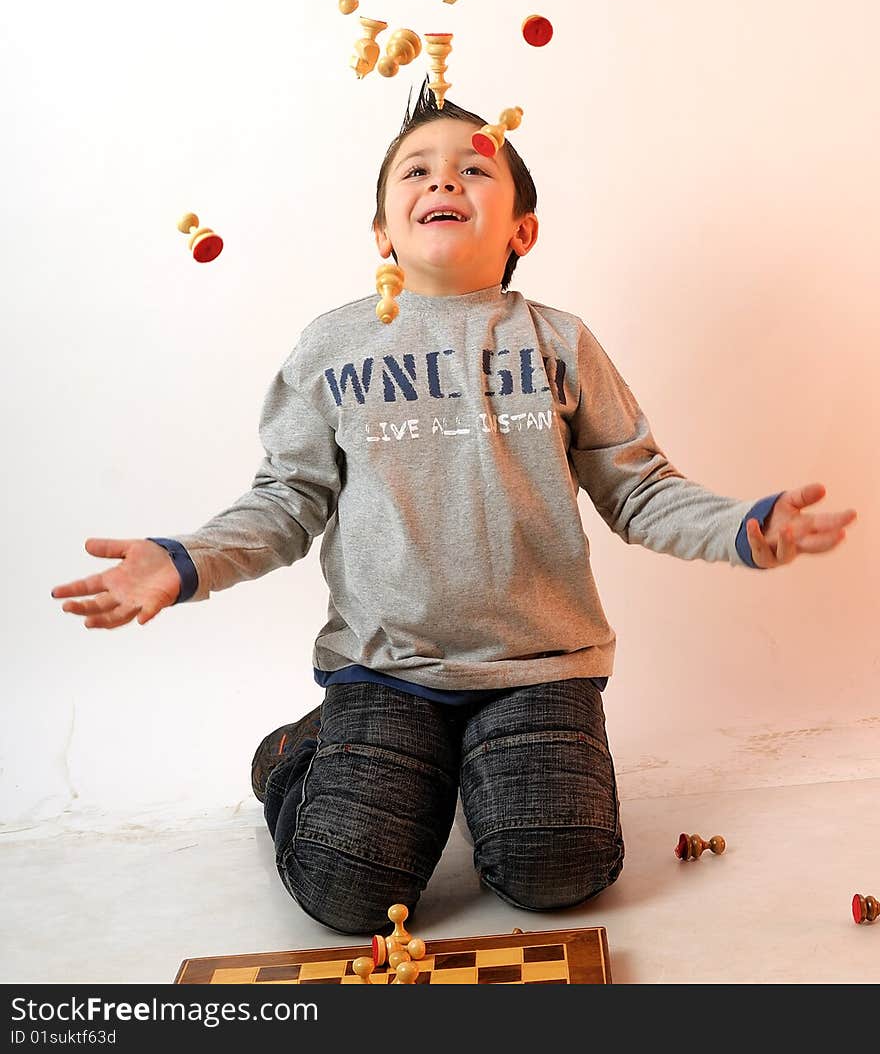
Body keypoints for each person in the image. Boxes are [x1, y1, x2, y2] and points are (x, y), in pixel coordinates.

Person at [51, 78, 858, 935]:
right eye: (417, 172)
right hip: (386, 666)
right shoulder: (334, 345)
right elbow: (288, 501)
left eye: (475, 169)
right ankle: (298, 754)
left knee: (559, 871)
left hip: (537, 667)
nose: (443, 182)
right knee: (347, 892)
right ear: (381, 232)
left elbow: (638, 489)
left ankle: (481, 767)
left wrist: (741, 528)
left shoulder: (560, 342)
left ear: (522, 230)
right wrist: (187, 562)